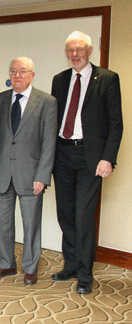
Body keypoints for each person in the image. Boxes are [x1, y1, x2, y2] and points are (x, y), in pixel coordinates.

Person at [51, 31, 123, 294]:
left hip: (91, 158)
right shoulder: (59, 79)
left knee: (83, 216)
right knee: (65, 213)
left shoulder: (107, 78)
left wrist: (108, 158)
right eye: (70, 50)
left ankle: (84, 274)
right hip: (62, 154)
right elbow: (54, 119)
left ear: (90, 51)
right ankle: (70, 265)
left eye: (79, 50)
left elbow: (116, 123)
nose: (74, 55)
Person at [0, 57, 57, 285]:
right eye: (13, 71)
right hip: (0, 173)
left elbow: (49, 143)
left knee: (30, 226)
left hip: (31, 176)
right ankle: (5, 264)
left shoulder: (46, 102)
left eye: (22, 71)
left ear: (32, 75)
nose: (16, 75)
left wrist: (43, 176)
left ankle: (30, 268)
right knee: (1, 224)